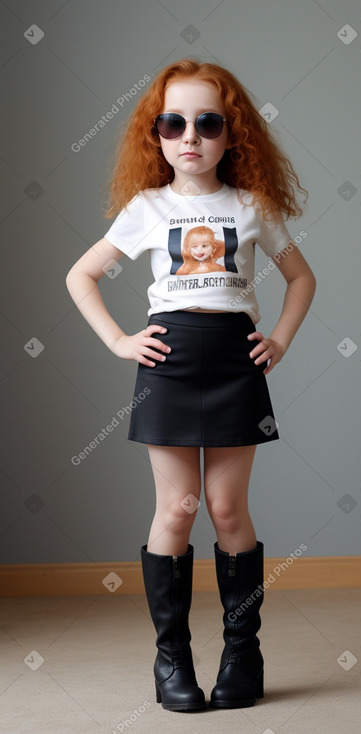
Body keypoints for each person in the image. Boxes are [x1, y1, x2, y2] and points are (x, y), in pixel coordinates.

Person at [66, 58, 316, 713]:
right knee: (176, 510)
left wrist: (280, 340)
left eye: (207, 123)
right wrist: (122, 341)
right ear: (155, 135)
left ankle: (242, 655)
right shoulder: (146, 207)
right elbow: (80, 276)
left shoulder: (251, 206)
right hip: (169, 368)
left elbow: (300, 279)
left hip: (234, 364)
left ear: (232, 134)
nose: (190, 136)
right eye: (173, 122)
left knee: (228, 511)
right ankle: (170, 659)